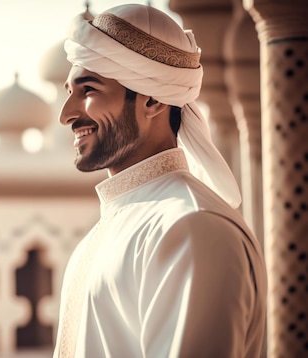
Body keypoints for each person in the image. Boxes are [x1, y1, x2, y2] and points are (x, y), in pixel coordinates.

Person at [52, 4, 267, 357]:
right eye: (68, 92)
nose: (67, 114)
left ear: (151, 100)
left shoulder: (191, 226)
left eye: (88, 90)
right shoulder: (124, 222)